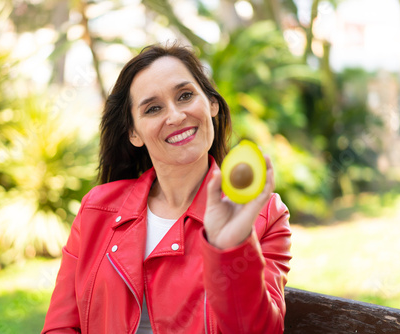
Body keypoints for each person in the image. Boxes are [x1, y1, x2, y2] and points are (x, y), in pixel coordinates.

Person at [42, 44, 292, 334]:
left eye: (185, 96)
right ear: (134, 133)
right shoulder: (96, 209)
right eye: (153, 108)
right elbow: (60, 327)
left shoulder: (265, 216)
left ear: (211, 103)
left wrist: (231, 250)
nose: (175, 116)